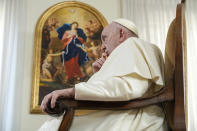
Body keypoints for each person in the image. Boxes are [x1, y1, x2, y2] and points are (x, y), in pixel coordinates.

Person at [39, 18, 167, 131]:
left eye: (105, 39)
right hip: (120, 115)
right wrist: (99, 74)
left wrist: (71, 91)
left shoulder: (133, 44)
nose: (102, 48)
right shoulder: (127, 51)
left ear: (121, 34)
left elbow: (129, 88)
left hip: (129, 119)